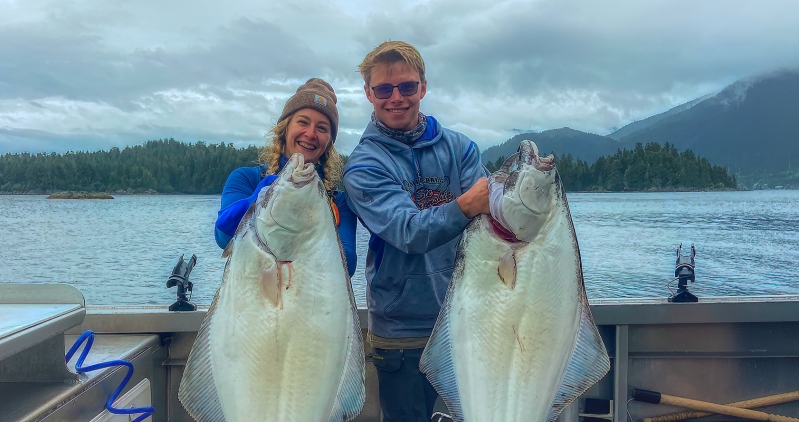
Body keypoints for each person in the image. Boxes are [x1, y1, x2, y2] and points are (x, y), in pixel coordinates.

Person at [342, 41, 490, 421]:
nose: (396, 98)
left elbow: (495, 222)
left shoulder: (461, 149)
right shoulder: (363, 167)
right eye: (383, 90)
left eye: (407, 87)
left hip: (467, 321)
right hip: (402, 333)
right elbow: (408, 232)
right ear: (368, 94)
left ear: (423, 87)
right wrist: (464, 205)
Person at [215, 78, 357, 277]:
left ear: (329, 142)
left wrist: (314, 207)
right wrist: (265, 194)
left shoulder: (338, 201)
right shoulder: (246, 179)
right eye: (303, 122)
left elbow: (346, 266)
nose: (311, 133)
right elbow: (223, 236)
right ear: (285, 128)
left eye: (322, 128)